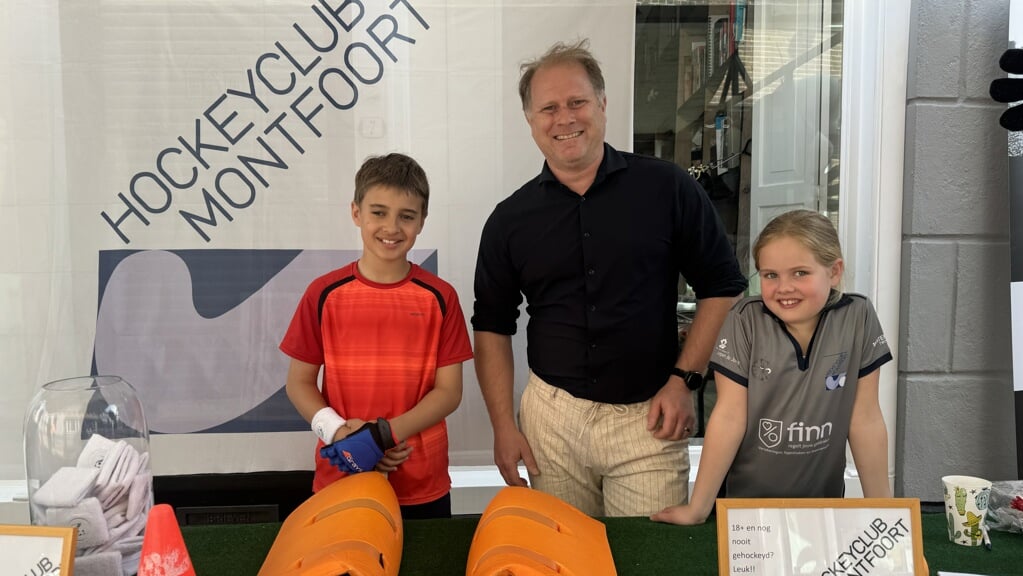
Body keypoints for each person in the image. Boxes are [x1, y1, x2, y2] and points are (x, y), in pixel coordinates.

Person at [471, 39, 748, 517]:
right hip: (550, 422)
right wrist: (502, 424)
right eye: (549, 108)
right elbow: (492, 325)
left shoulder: (668, 189)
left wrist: (685, 380)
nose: (565, 118)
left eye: (577, 102)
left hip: (649, 418)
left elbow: (721, 285)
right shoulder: (508, 220)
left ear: (602, 103)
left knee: (647, 558)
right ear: (531, 120)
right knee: (564, 562)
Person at [651, 209, 893, 525]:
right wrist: (698, 508)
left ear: (834, 272)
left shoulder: (858, 316)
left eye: (800, 273)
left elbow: (865, 419)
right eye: (770, 275)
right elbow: (728, 417)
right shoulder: (744, 320)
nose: (784, 288)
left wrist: (886, 511)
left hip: (822, 512)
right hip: (745, 513)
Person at [280, 153, 473, 519]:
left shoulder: (441, 297)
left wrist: (382, 436)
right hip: (342, 476)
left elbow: (449, 392)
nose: (391, 227)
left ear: (422, 221)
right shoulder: (323, 293)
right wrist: (341, 435)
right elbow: (298, 383)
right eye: (379, 212)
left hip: (421, 482)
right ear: (356, 213)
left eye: (407, 216)